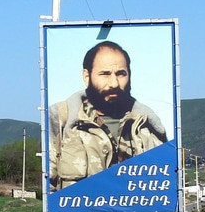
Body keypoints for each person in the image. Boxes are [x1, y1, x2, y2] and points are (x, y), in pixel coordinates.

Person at [48, 40, 168, 190]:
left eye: (121, 74)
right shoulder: (61, 119)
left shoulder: (147, 126)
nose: (114, 83)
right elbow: (48, 188)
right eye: (105, 74)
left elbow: (164, 184)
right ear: (87, 76)